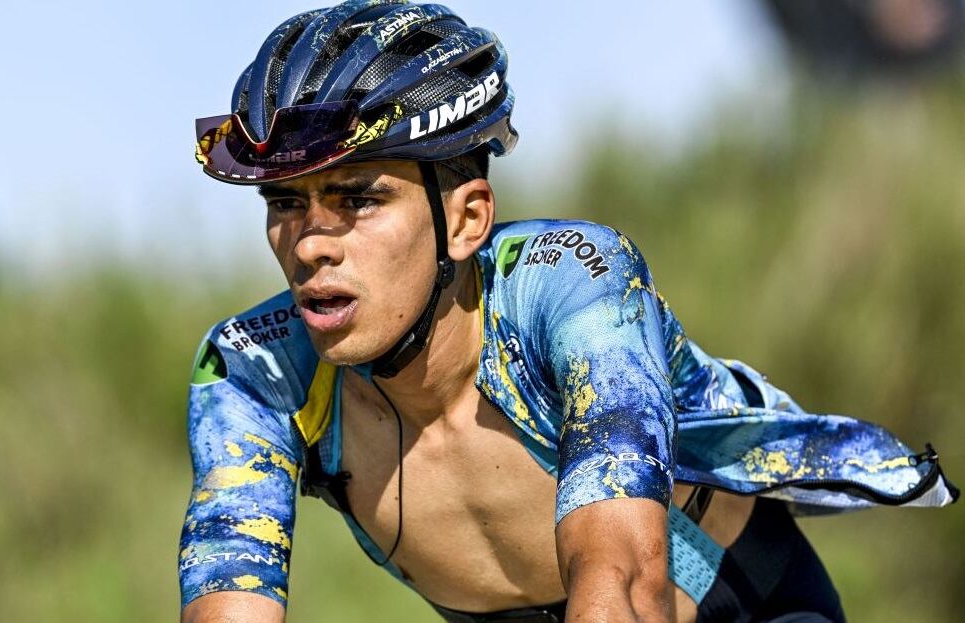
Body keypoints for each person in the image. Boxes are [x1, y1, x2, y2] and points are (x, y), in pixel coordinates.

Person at [178, 2, 958, 621]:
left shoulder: (572, 284)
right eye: (284, 202)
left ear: (467, 218)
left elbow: (621, 584)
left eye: (357, 198)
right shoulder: (254, 369)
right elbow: (228, 592)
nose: (311, 243)